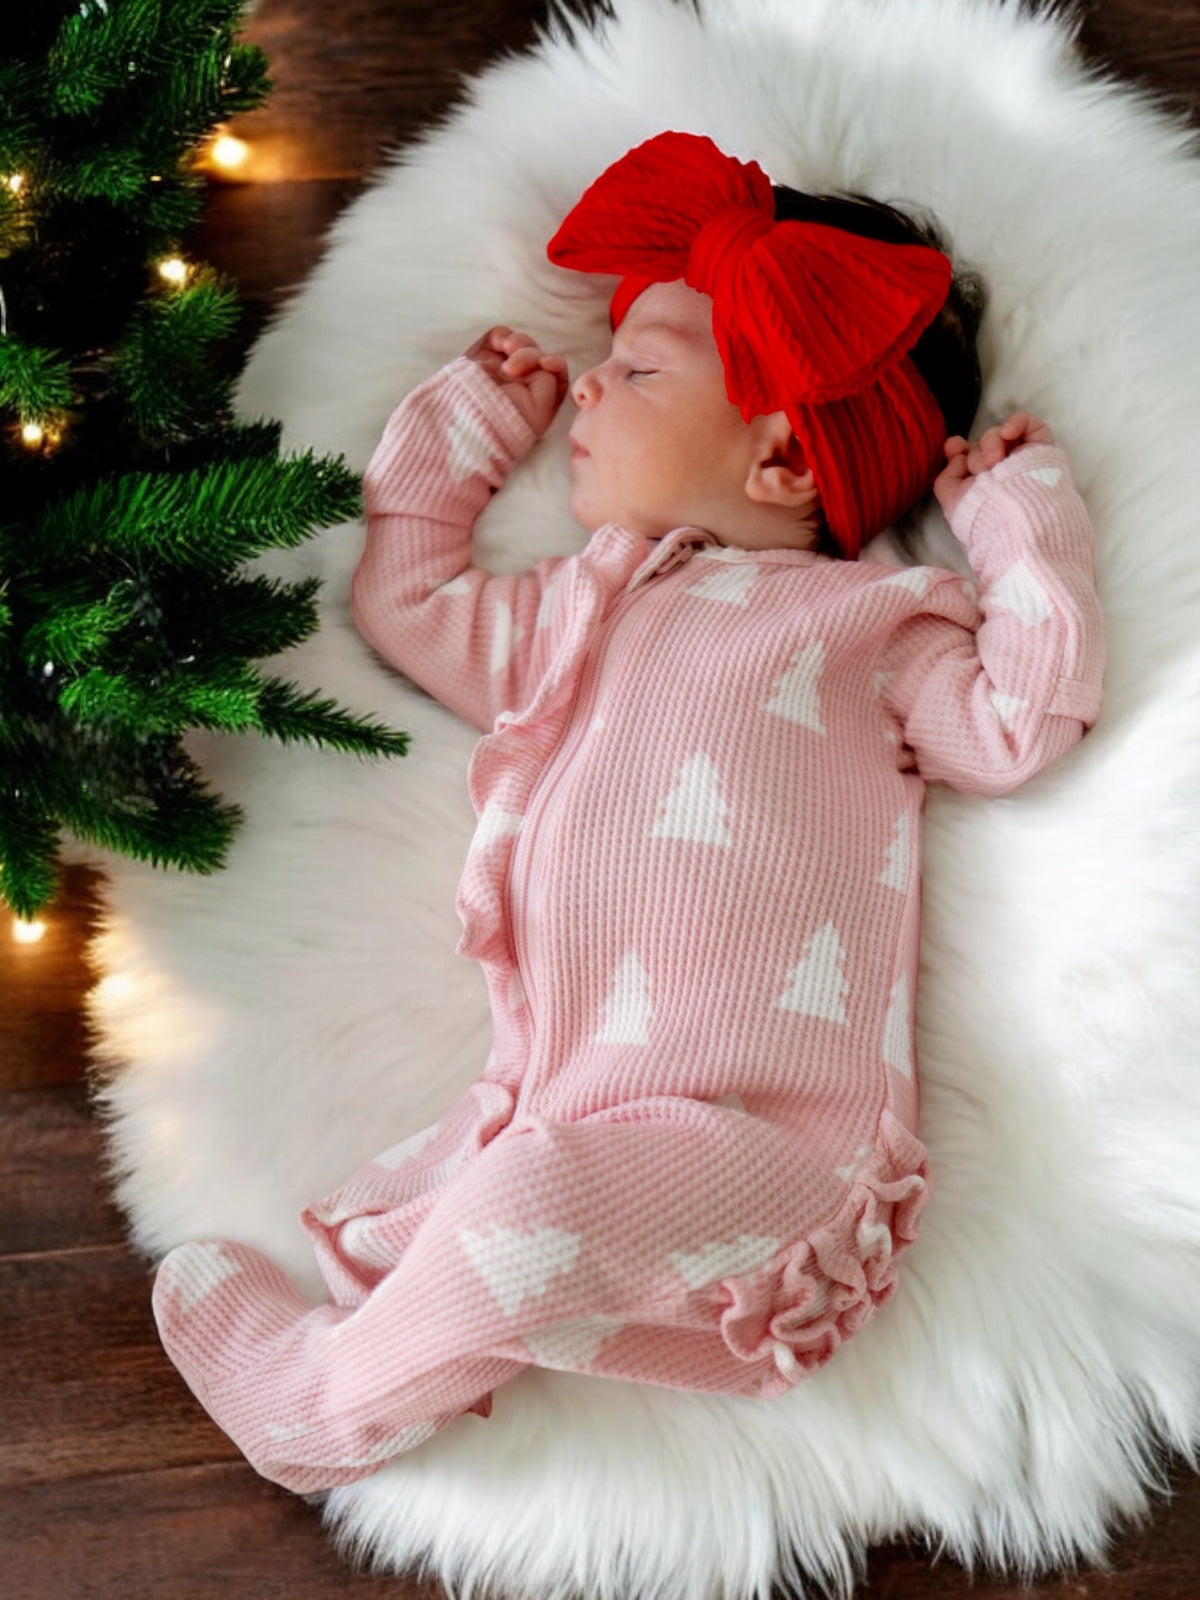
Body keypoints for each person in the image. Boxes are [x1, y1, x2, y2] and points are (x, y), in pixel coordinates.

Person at [151, 131, 1106, 1495]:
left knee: (527, 1207)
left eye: (642, 366)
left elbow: (1023, 720)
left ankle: (324, 1405)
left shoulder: (871, 625)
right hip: (576, 1111)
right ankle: (399, 1340)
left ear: (781, 460)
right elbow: (405, 604)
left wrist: (1023, 531)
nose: (593, 381)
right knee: (497, 1201)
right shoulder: (581, 609)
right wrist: (463, 434)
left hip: (773, 1156)